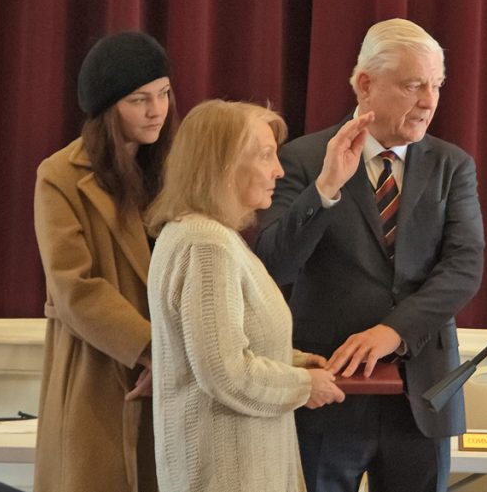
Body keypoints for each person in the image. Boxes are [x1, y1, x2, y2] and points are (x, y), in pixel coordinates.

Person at [254, 18, 485, 492]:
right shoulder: (303, 158)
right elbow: (274, 264)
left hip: (420, 393)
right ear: (365, 84)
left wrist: (393, 331)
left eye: (437, 85)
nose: (429, 101)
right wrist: (325, 190)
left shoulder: (452, 165)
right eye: (413, 85)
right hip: (329, 389)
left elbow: (464, 268)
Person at [146, 100, 344, 492]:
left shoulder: (200, 234)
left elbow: (214, 346)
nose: (279, 171)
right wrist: (304, 386)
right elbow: (225, 373)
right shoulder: (207, 244)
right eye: (266, 155)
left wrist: (291, 360)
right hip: (229, 475)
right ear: (223, 164)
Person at [33, 31, 177, 492]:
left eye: (164, 93)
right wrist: (155, 351)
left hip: (177, 380)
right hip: (98, 373)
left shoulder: (176, 171)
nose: (157, 110)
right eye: (139, 99)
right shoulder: (59, 176)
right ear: (107, 107)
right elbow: (75, 289)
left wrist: (178, 359)